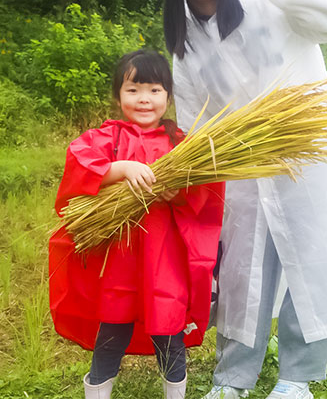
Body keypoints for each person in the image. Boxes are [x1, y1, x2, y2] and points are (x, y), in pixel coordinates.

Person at [163, 0, 327, 399]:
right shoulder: (185, 42)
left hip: (307, 153)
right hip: (244, 169)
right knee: (243, 274)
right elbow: (196, 123)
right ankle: (231, 380)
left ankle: (296, 379)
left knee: (315, 260)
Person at [48, 49, 226, 399]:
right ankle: (97, 391)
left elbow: (203, 194)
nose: (144, 99)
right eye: (133, 90)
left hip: (165, 259)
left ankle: (174, 393)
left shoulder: (180, 145)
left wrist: (177, 192)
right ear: (118, 96)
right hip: (120, 260)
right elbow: (81, 166)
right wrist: (122, 169)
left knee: (168, 326)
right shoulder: (107, 138)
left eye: (154, 90)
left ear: (168, 97)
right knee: (112, 328)